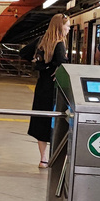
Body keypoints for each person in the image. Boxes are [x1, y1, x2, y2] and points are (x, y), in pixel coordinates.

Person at [25, 14, 69, 169]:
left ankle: (43, 159)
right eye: (67, 26)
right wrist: (54, 69)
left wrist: (39, 64)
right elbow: (63, 64)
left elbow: (23, 52)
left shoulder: (40, 41)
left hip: (41, 86)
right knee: (56, 120)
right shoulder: (60, 44)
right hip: (54, 89)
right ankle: (54, 156)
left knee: (40, 120)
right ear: (60, 26)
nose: (68, 29)